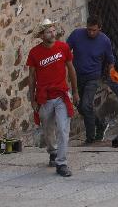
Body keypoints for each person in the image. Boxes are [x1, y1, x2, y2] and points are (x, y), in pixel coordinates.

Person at [66, 17, 118, 147]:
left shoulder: (104, 40)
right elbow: (65, 51)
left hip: (94, 77)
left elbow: (110, 60)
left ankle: (90, 139)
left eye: (94, 30)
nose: (91, 33)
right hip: (78, 76)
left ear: (99, 28)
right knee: (81, 107)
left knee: (86, 105)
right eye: (89, 29)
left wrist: (111, 78)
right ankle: (100, 124)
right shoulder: (76, 35)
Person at [26, 19, 79, 178]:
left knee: (63, 129)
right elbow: (31, 77)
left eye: (53, 30)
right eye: (48, 31)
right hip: (44, 97)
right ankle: (53, 152)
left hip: (62, 94)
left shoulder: (63, 48)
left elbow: (71, 70)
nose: (52, 33)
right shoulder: (35, 53)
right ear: (42, 35)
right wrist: (32, 99)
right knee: (48, 129)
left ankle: (61, 163)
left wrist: (75, 91)